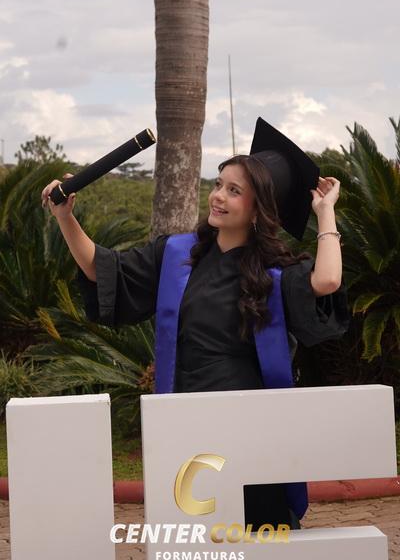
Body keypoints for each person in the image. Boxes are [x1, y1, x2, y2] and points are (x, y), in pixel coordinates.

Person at [41, 117, 350, 531]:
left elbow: (327, 280)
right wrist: (65, 217)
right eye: (219, 184)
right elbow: (103, 268)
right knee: (194, 535)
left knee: (259, 534)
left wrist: (326, 213)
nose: (218, 196)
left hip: (250, 427)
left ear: (258, 210)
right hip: (186, 418)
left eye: (234, 191)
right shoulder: (177, 255)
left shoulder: (274, 275)